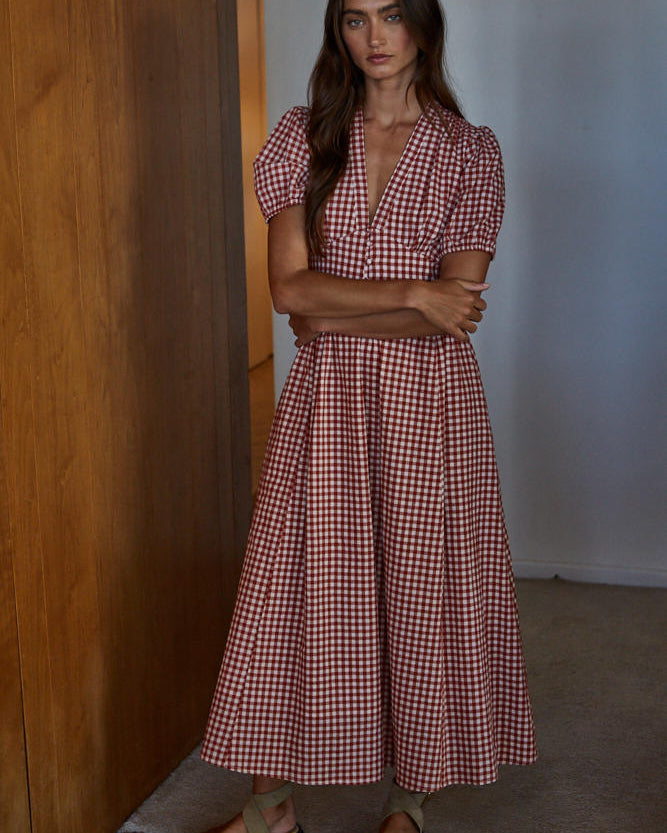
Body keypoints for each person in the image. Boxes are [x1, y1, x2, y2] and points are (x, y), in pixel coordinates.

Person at [200, 1, 538, 832]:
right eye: (354, 19)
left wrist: (359, 307)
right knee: (292, 589)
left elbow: (452, 310)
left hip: (429, 403)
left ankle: (408, 802)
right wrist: (411, 293)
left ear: (424, 25)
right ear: (337, 33)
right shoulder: (301, 135)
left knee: (420, 588)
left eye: (392, 15)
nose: (375, 37)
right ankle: (270, 805)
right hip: (324, 401)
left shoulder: (470, 152)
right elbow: (288, 292)